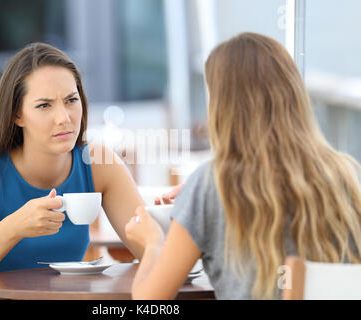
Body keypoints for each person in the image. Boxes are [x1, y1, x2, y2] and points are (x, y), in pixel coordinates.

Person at [125, 32, 361, 300]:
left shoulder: (212, 184)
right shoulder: (346, 174)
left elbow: (149, 302)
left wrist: (152, 241)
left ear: (222, 106)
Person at [0, 42, 147, 299]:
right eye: (44, 105)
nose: (64, 117)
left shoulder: (98, 163)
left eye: (71, 100)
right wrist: (13, 228)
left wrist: (175, 216)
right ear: (17, 115)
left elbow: (156, 253)